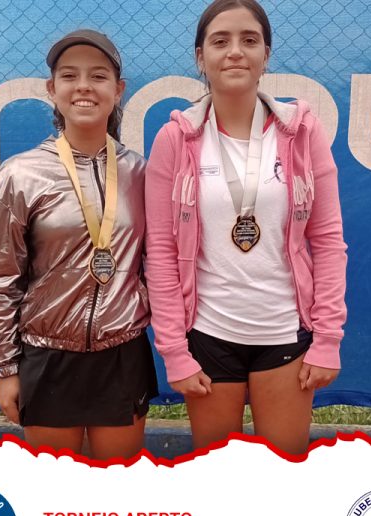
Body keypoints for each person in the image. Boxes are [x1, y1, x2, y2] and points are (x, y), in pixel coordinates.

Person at [145, 0, 347, 454]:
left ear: (265, 56)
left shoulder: (302, 133)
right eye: (221, 41)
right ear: (201, 58)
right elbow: (160, 251)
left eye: (249, 40)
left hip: (285, 334)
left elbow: (328, 241)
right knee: (218, 478)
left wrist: (328, 339)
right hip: (208, 337)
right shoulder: (175, 139)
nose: (235, 51)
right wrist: (174, 350)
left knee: (283, 471)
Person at [0, 29, 157, 460]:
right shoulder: (20, 175)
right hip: (47, 357)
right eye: (69, 75)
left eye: (98, 76)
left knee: (117, 486)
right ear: (51, 89)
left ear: (118, 90)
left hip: (122, 355)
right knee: (55, 490)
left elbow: (159, 264)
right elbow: (2, 279)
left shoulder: (142, 174)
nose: (83, 86)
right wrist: (7, 368)